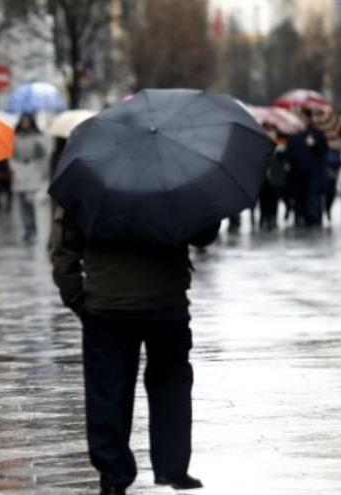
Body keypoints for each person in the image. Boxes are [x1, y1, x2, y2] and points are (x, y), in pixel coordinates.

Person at [51, 205, 219, 494]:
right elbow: (203, 234)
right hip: (166, 299)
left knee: (108, 390)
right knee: (171, 386)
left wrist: (76, 296)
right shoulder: (175, 174)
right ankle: (172, 467)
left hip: (107, 302)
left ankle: (114, 475)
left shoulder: (89, 175)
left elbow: (65, 243)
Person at [284, 107, 328, 227]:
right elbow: (290, 151)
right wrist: (288, 163)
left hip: (313, 173)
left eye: (303, 117)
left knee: (313, 198)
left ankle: (313, 219)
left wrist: (314, 144)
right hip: (297, 172)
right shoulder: (294, 134)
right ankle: (300, 216)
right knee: (299, 197)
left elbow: (324, 151)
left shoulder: (317, 133)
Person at [12, 113, 48, 241]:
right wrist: (13, 167)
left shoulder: (37, 138)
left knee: (30, 200)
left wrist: (40, 170)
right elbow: (11, 155)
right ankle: (27, 228)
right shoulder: (15, 138)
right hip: (18, 171)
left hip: (32, 171)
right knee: (22, 202)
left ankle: (32, 226)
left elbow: (43, 155)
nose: (25, 124)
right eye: (23, 121)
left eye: (27, 121)